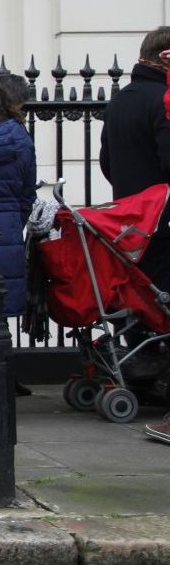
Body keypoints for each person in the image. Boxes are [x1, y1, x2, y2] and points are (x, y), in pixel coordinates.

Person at [98, 27, 170, 441]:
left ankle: (146, 365)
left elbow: (107, 160)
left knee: (144, 298)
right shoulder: (161, 101)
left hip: (130, 220)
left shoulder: (122, 100)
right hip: (162, 219)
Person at [0, 75, 37, 398]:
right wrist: (13, 221)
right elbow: (27, 192)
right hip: (5, 225)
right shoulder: (19, 137)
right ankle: (4, 376)